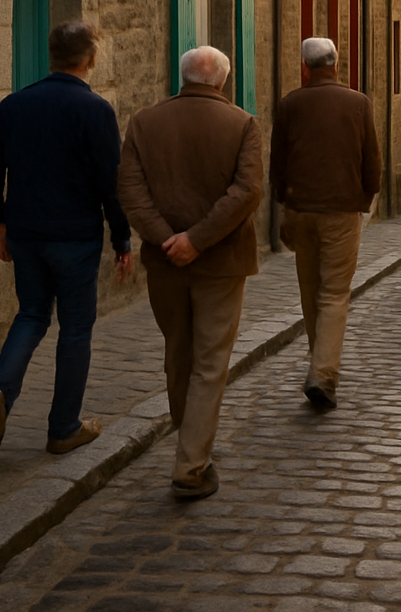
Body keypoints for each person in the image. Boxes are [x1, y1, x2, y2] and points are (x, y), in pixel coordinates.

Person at [0, 21, 133, 455]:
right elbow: (110, 184)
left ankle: (1, 391)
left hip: (26, 232)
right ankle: (63, 427)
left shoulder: (14, 105)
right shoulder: (96, 110)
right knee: (76, 328)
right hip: (75, 238)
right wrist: (122, 240)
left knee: (31, 314)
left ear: (51, 56)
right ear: (90, 58)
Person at [116, 46, 262, 500]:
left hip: (165, 262)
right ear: (221, 80)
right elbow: (247, 191)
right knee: (209, 362)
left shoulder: (144, 123)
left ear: (182, 77)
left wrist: (168, 239)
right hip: (221, 262)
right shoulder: (242, 124)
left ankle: (190, 445)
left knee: (178, 354)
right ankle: (191, 464)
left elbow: (130, 191)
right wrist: (197, 239)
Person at [270, 37, 381, 411]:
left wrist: (284, 204)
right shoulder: (358, 104)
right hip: (341, 211)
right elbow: (372, 161)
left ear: (305, 67)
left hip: (301, 210)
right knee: (334, 293)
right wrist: (365, 199)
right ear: (337, 65)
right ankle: (323, 374)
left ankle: (320, 363)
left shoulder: (289, 104)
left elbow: (278, 161)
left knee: (310, 290)